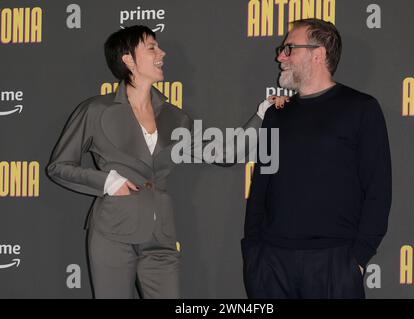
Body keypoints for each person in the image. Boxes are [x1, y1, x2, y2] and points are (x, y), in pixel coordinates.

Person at [46, 25, 285, 299]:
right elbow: (59, 167)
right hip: (112, 233)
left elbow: (225, 154)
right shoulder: (95, 110)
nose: (162, 53)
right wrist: (107, 182)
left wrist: (262, 113)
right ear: (128, 59)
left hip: (161, 236)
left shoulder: (174, 116)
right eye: (151, 47)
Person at [242, 18, 392, 299]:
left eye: (289, 48)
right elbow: (261, 185)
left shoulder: (361, 108)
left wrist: (357, 260)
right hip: (271, 264)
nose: (280, 56)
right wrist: (253, 252)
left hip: (334, 262)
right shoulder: (277, 113)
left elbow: (378, 189)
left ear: (318, 54)